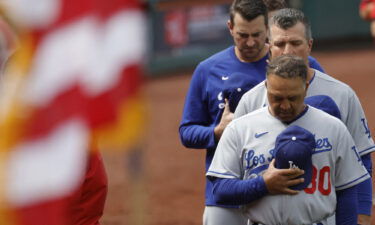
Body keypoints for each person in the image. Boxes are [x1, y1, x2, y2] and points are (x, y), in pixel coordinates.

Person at [234, 8, 375, 224]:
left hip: (325, 214)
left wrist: (363, 211)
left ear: (309, 45)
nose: (288, 51)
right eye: (280, 44)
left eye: (296, 43)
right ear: (269, 47)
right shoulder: (250, 101)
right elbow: (233, 173)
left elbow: (361, 158)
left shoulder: (341, 94)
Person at [207, 55, 370, 225]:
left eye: (293, 98)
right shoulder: (240, 128)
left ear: (306, 88)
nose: (285, 106)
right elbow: (220, 190)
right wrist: (263, 184)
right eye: (276, 98)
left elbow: (347, 191)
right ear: (266, 87)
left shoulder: (334, 128)